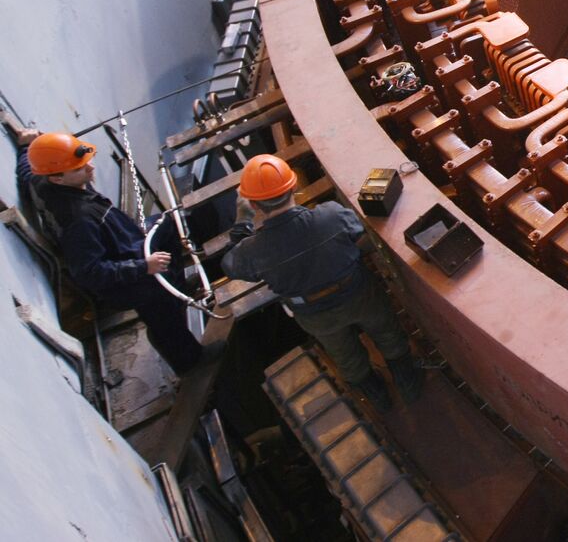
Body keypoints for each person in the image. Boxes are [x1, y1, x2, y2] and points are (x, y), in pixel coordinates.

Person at [224, 154, 423, 410]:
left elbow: (230, 264)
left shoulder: (252, 251)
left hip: (314, 313)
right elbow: (358, 231)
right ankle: (408, 383)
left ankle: (378, 398)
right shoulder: (330, 216)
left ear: (254, 205)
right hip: (357, 293)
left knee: (345, 356)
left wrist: (242, 222)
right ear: (293, 187)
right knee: (387, 332)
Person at [22, 132, 204, 374]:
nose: (90, 168)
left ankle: (177, 288)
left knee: (166, 224)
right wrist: (144, 267)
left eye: (86, 162)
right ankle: (188, 360)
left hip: (125, 243)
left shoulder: (41, 179)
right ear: (57, 179)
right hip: (123, 278)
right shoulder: (80, 222)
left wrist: (26, 145)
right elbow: (90, 273)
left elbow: (25, 169)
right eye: (79, 169)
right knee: (160, 302)